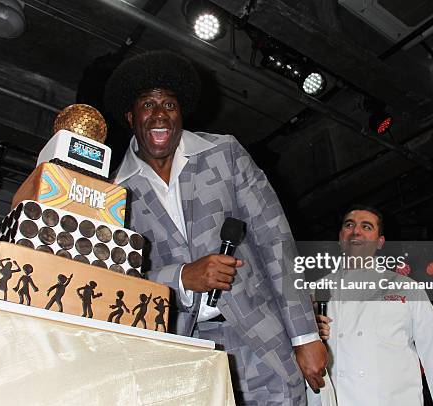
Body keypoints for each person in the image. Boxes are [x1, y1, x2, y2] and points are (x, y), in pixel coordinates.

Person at [107, 50, 327, 404]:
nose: (160, 114)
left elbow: (276, 240)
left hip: (261, 339)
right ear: (131, 117)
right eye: (148, 105)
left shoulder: (224, 153)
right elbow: (119, 283)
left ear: (181, 114)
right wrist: (181, 277)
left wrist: (305, 336)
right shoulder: (115, 193)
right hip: (178, 351)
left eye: (169, 104)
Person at [315, 205, 433, 406]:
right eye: (349, 225)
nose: (356, 231)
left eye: (366, 226)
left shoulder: (407, 288)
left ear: (380, 243)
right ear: (340, 237)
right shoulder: (316, 291)